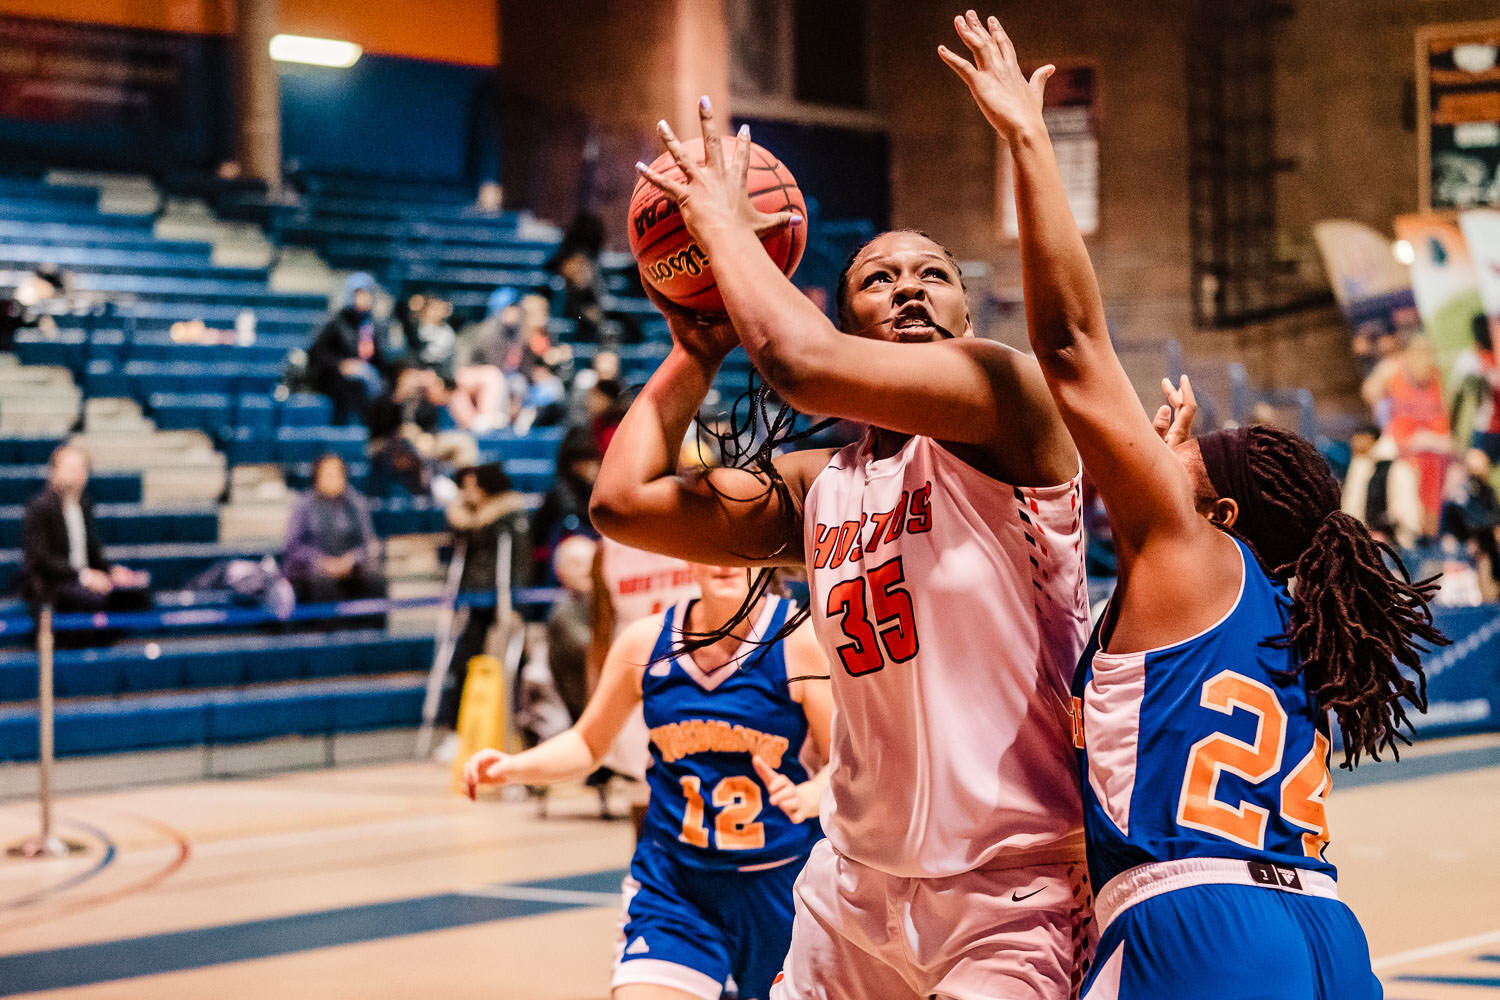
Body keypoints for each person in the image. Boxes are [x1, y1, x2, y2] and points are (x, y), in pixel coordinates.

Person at [947, 12, 1445, 997]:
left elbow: (1076, 347)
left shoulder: (1185, 550)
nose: (1156, 450)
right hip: (1326, 936)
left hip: (1200, 927)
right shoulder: (1268, 603)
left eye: (1184, 454)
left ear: (1217, 516)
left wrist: (1027, 139)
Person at [603, 46, 1090, 1000]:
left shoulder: (1004, 404)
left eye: (933, 274)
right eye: (878, 278)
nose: (909, 287)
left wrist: (717, 223)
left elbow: (794, 359)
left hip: (1012, 889)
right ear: (850, 315)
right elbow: (622, 503)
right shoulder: (821, 487)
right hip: (850, 890)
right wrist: (693, 355)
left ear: (964, 308)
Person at [465, 563, 834, 1000]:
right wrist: (514, 766)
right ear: (688, 557)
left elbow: (845, 762)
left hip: (780, 882)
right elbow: (588, 742)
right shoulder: (646, 641)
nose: (724, 562)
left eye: (736, 549)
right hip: (676, 885)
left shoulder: (800, 640)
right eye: (709, 548)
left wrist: (810, 795)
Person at [437, 462, 532, 733]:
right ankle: (458, 725)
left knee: (514, 661)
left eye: (472, 486)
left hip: (501, 597)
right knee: (465, 660)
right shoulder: (466, 516)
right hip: (475, 598)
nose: (467, 492)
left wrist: (517, 605)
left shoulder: (509, 516)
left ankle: (518, 721)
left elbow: (520, 563)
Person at [20, 443, 150, 614]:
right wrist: (85, 576)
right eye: (70, 468)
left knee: (138, 594)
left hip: (84, 579)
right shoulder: (40, 507)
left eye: (80, 468)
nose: (76, 473)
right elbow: (42, 559)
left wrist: (112, 571)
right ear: (54, 472)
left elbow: (93, 553)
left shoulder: (85, 505)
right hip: (55, 583)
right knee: (94, 599)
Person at [282, 453, 387, 604]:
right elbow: (293, 547)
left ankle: (372, 626)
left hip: (350, 567)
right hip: (312, 570)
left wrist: (350, 560)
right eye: (327, 474)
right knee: (322, 579)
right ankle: (327, 626)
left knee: (375, 576)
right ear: (317, 476)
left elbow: (368, 544)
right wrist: (321, 562)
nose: (332, 478)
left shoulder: (357, 503)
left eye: (336, 473)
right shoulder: (303, 505)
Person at [308, 272, 390, 426]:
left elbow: (379, 360)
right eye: (359, 294)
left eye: (367, 294)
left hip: (367, 376)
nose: (363, 298)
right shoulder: (336, 322)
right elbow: (318, 352)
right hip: (335, 377)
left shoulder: (374, 325)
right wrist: (342, 364)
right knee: (352, 387)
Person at [1340, 424, 1423, 553]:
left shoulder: (1395, 467)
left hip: (1390, 538)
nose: (1354, 444)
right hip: (1363, 536)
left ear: (1371, 439)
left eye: (1358, 439)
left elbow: (1404, 506)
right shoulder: (1361, 464)